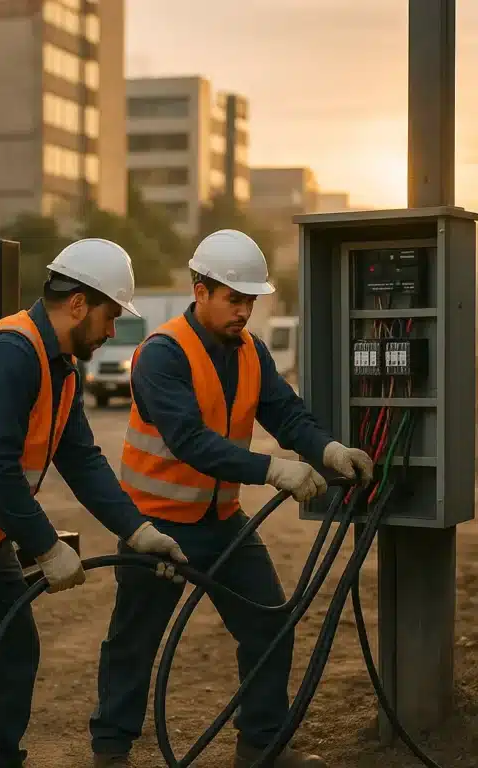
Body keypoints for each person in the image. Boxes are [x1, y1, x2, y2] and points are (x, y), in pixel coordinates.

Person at [0, 237, 188, 768]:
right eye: (110, 315)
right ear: (77, 303)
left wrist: (139, 531)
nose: (113, 330)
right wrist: (46, 547)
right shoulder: (11, 353)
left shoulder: (60, 364)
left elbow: (83, 460)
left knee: (12, 654)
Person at [88, 229, 374, 768]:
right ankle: (111, 752)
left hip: (221, 521)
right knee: (134, 642)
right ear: (200, 291)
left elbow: (286, 414)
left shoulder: (250, 353)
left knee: (268, 623)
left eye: (250, 301)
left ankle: (260, 746)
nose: (244, 312)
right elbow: (191, 441)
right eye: (233, 299)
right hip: (156, 524)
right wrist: (273, 470)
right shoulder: (161, 356)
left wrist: (329, 450)